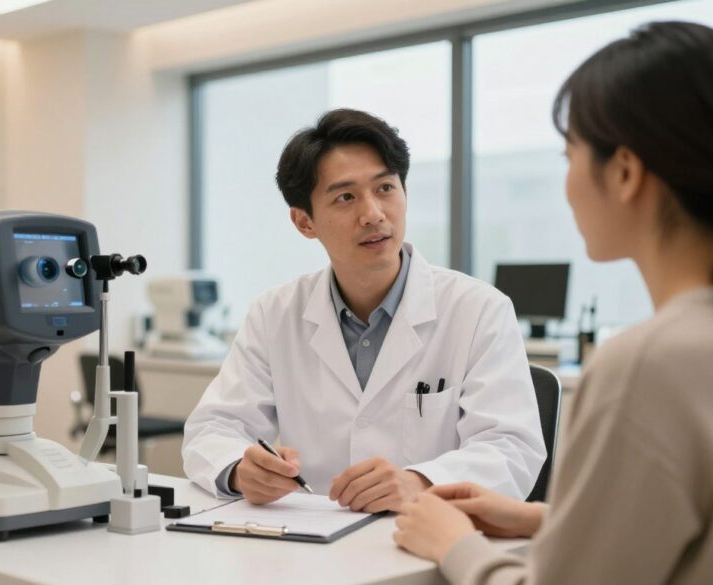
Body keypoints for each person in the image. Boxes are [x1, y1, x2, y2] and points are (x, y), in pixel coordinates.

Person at [393, 21, 713, 584]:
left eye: (570, 153)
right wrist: (542, 519)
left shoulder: (648, 363)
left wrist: (456, 546)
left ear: (625, 172)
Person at [182, 109, 546, 513]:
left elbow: (512, 447)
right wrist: (238, 468)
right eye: (345, 197)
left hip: (429, 538)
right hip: (311, 543)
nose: (373, 213)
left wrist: (420, 482)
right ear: (304, 222)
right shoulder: (274, 314)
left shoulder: (479, 310)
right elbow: (211, 429)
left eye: (385, 188)